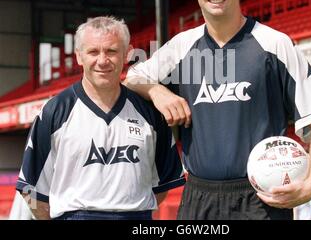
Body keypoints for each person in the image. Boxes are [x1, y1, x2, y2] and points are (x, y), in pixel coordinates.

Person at [124, 0, 311, 220]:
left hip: (261, 199)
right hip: (198, 198)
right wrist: (157, 91)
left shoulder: (274, 44)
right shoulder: (181, 46)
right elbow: (131, 79)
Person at [15, 16, 185, 220]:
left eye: (111, 51)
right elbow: (29, 190)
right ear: (79, 56)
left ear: (126, 54)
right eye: (93, 51)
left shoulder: (149, 113)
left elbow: (163, 185)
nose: (102, 60)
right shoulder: (54, 111)